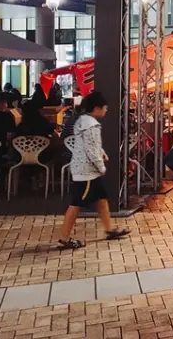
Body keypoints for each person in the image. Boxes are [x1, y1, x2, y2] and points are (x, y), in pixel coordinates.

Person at [56, 92, 130, 250]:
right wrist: (101, 166)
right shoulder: (91, 125)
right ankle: (64, 238)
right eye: (104, 107)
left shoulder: (82, 121)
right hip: (86, 173)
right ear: (96, 108)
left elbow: (91, 145)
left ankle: (110, 229)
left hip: (86, 170)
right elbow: (91, 149)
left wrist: (101, 153)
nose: (106, 110)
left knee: (101, 198)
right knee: (76, 204)